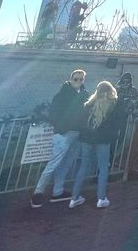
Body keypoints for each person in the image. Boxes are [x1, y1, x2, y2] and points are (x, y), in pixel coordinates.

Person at [31, 69, 89, 208]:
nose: (78, 82)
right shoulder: (62, 95)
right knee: (54, 163)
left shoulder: (86, 95)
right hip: (64, 133)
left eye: (81, 79)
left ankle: (58, 191)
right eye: (76, 79)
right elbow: (54, 113)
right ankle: (38, 192)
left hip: (78, 133)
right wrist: (61, 127)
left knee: (67, 163)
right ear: (70, 79)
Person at [69, 80, 126, 209]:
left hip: (87, 139)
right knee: (103, 168)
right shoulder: (115, 104)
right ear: (111, 90)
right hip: (103, 140)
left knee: (83, 166)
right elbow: (120, 122)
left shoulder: (89, 104)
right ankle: (101, 198)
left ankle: (74, 198)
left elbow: (81, 121)